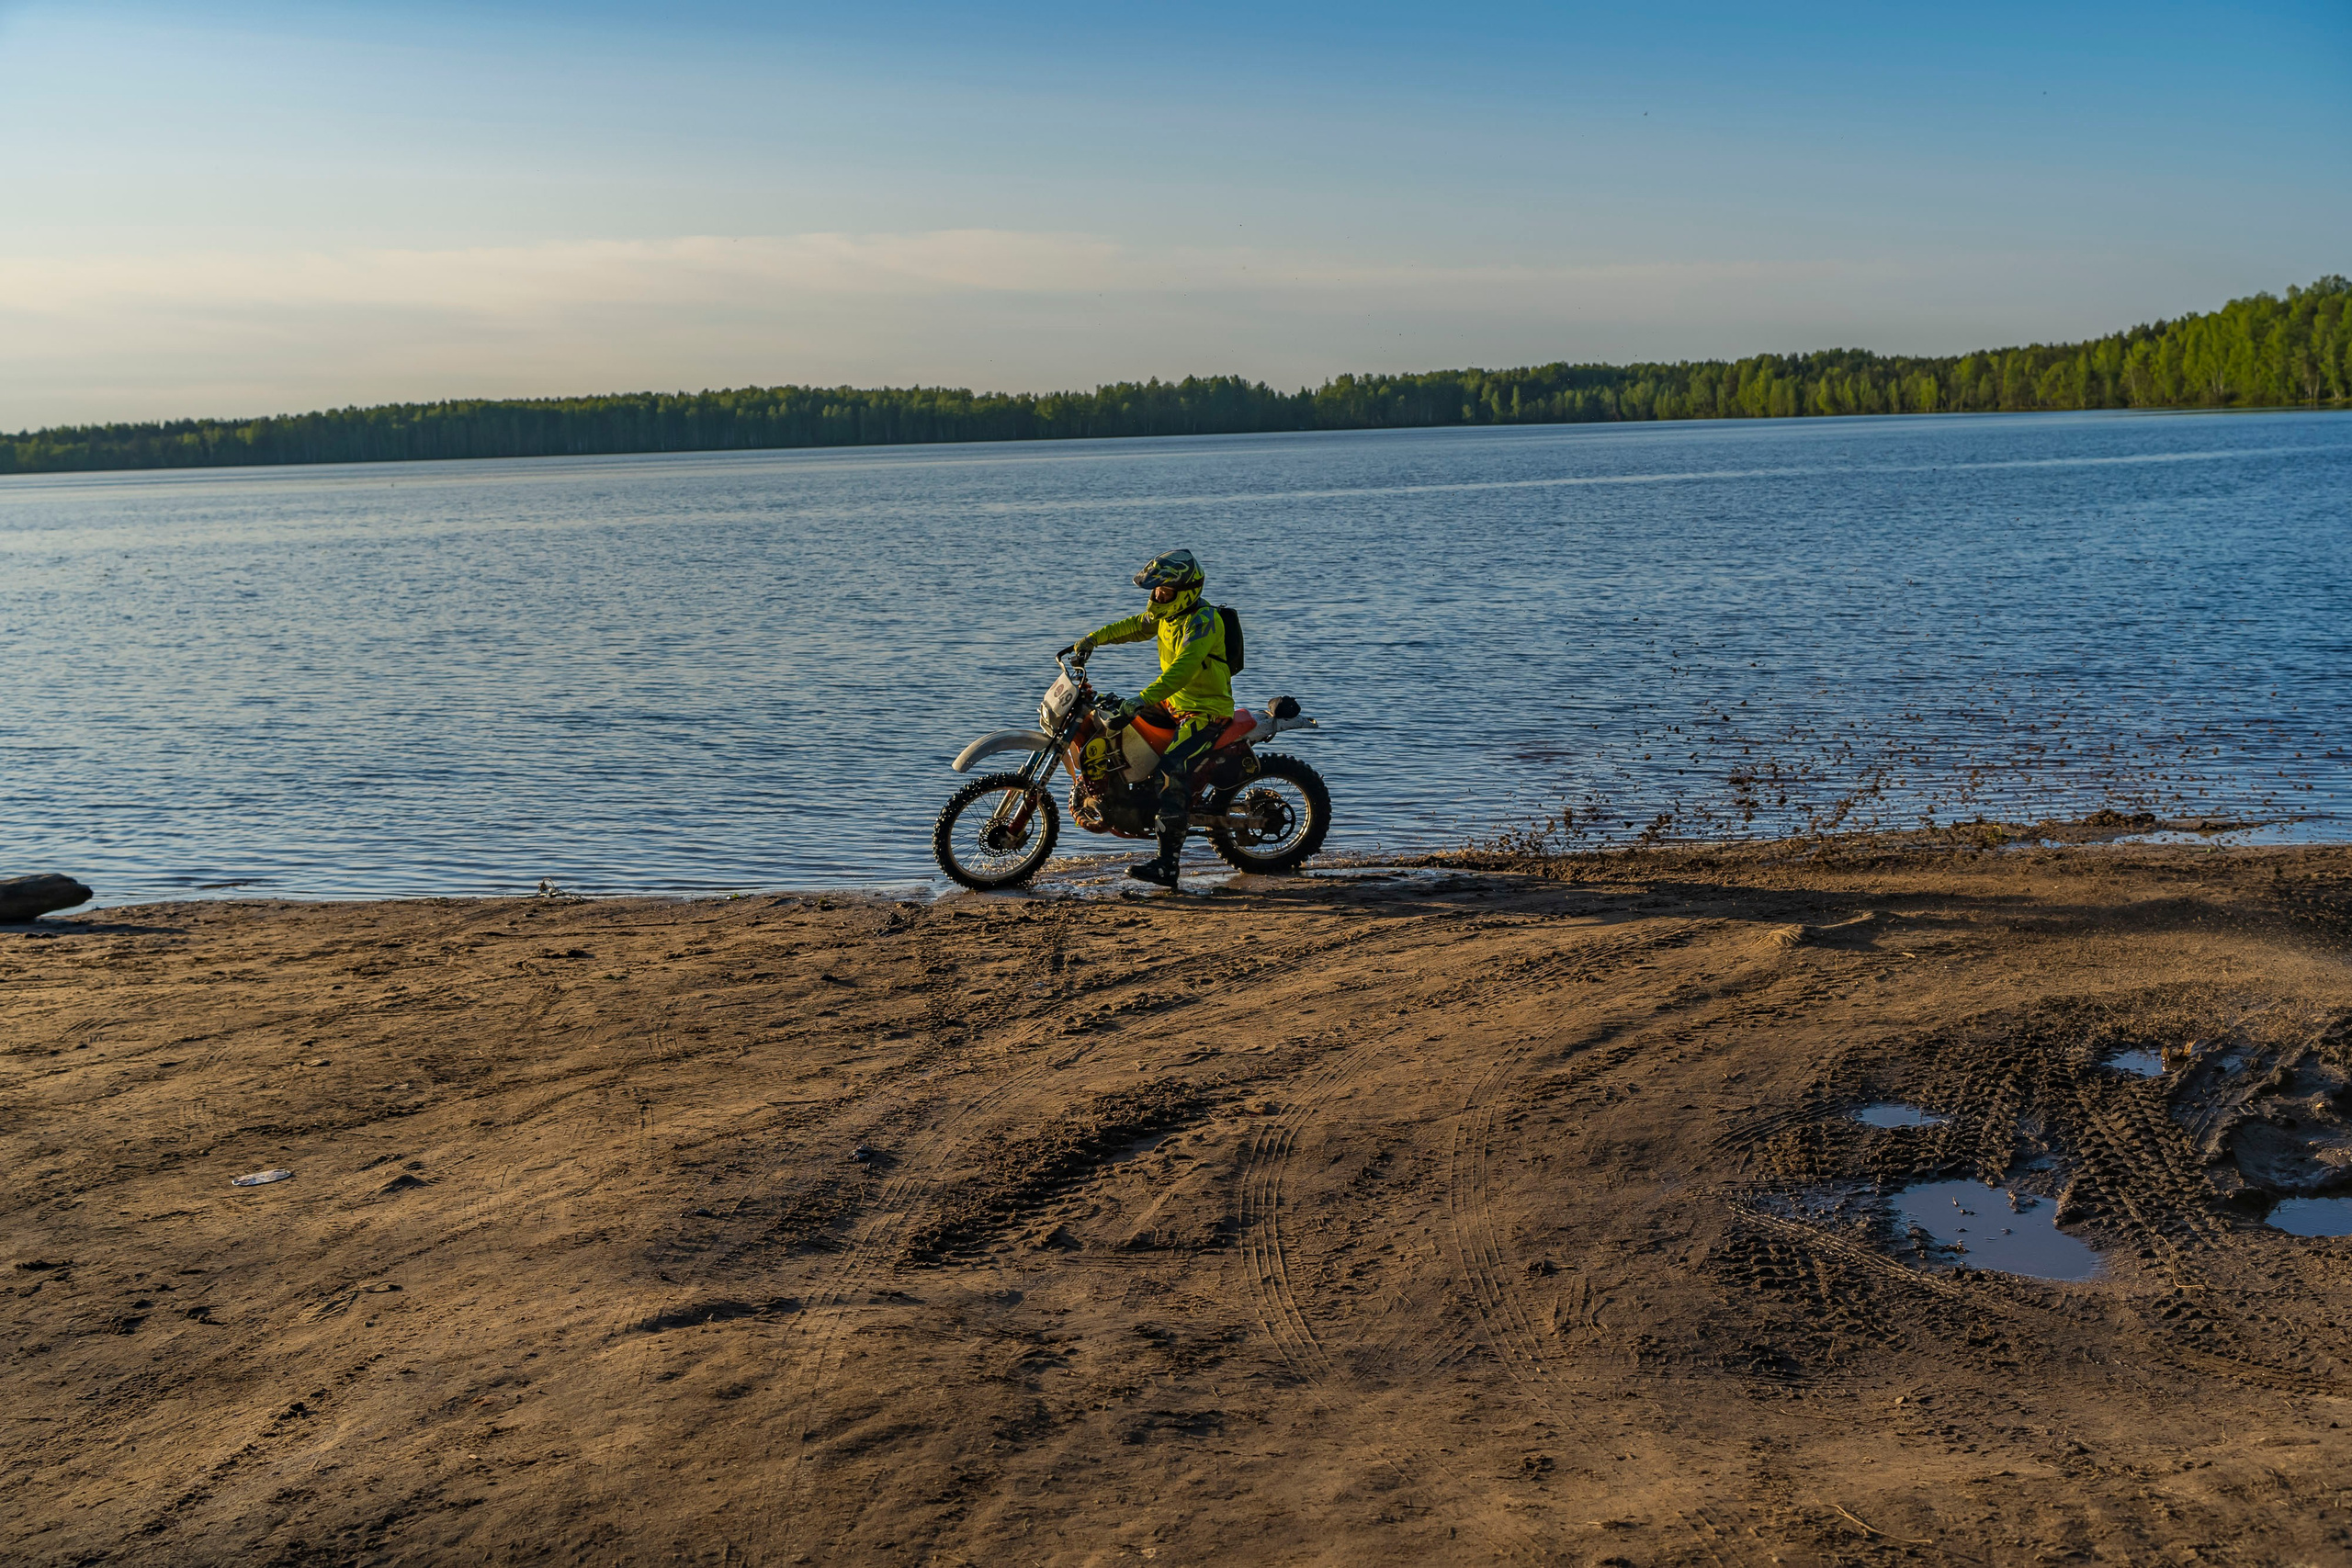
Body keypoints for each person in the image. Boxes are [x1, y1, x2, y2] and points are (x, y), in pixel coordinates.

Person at [1074, 548, 1232, 888]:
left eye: (1164, 591)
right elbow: (1136, 626)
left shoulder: (1203, 621)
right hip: (1172, 703)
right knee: (1111, 717)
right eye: (1155, 590)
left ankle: (1167, 866)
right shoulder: (1167, 615)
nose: (1157, 596)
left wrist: (1141, 699)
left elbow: (1181, 671)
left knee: (1171, 773)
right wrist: (1093, 639)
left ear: (1186, 591)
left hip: (1205, 710)